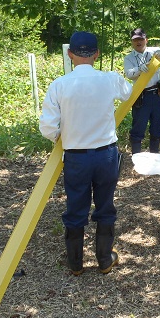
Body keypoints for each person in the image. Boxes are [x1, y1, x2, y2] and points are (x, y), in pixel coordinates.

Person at [40, 31, 132, 275]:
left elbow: (48, 127)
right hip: (106, 155)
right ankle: (104, 259)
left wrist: (64, 136)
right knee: (105, 206)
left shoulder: (59, 85)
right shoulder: (109, 79)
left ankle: (76, 264)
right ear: (97, 54)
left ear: (70, 55)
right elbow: (128, 92)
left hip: (76, 157)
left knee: (75, 208)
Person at [123, 27, 160, 154]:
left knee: (157, 125)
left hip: (156, 94)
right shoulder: (129, 58)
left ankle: (155, 155)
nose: (138, 42)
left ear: (146, 40)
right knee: (138, 126)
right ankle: (136, 156)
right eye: (135, 40)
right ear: (132, 42)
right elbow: (129, 74)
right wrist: (140, 69)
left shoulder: (154, 52)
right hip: (140, 96)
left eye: (141, 39)